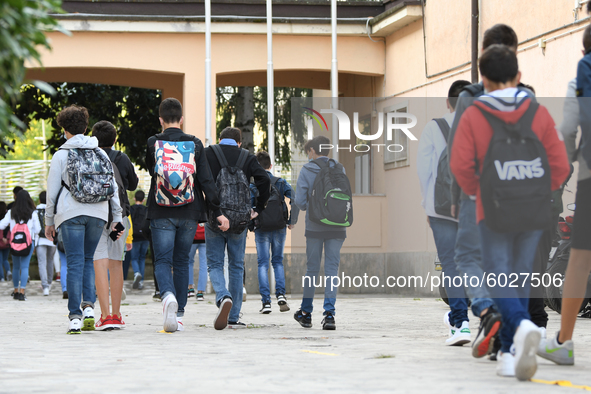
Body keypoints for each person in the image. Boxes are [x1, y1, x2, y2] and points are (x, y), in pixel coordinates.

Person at [450, 45, 570, 380]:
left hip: (494, 208)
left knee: (498, 275)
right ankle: (508, 354)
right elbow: (560, 165)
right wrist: (539, 191)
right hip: (533, 209)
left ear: (483, 80)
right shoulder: (538, 112)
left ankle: (519, 328)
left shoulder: (474, 114)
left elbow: (459, 165)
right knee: (519, 276)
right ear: (518, 77)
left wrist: (479, 193)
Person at [446, 23, 536, 360]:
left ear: (482, 54)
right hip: (520, 193)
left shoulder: (469, 97)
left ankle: (486, 310)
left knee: (469, 257)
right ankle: (507, 345)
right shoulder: (528, 95)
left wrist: (456, 198)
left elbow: (458, 152)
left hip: (478, 192)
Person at [145, 98, 228, 332]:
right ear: (181, 119)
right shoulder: (195, 143)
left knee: (162, 260)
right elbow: (206, 181)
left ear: (160, 120)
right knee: (182, 261)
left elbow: (151, 169)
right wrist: (218, 212)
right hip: (190, 210)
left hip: (161, 210)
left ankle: (168, 296)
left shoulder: (153, 142)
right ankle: (179, 315)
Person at [45, 105, 124, 335]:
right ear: (86, 127)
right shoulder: (100, 152)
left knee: (75, 262)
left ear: (64, 129)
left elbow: (51, 193)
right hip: (98, 213)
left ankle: (75, 318)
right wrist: (116, 216)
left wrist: (49, 221)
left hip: (70, 213)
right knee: (89, 259)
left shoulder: (61, 154)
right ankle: (89, 308)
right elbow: (113, 188)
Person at [539, 21, 591, 366]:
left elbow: (568, 130)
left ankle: (563, 342)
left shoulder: (583, 74)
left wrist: (565, 165)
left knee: (580, 258)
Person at [417, 80, 475, 346]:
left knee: (450, 264)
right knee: (474, 261)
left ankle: (460, 323)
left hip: (439, 207)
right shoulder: (480, 126)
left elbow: (425, 170)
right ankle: (486, 317)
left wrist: (426, 205)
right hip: (472, 204)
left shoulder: (434, 127)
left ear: (448, 102)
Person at [205, 127, 270, 330]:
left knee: (215, 264)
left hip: (215, 217)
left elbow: (202, 181)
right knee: (236, 265)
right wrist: (258, 208)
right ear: (239, 143)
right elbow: (265, 180)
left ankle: (223, 296)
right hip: (240, 220)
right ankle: (233, 316)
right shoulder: (247, 157)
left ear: (220, 139)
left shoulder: (209, 153)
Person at [293, 136, 347, 330]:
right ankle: (329, 315)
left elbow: (299, 201)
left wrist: (315, 210)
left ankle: (306, 313)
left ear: (313, 151)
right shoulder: (340, 168)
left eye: (309, 151)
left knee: (312, 270)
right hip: (338, 226)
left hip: (315, 227)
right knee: (332, 270)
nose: (308, 154)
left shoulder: (307, 169)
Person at [91, 120, 138, 330]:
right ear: (115, 139)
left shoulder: (89, 157)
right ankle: (117, 315)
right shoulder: (122, 158)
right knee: (116, 263)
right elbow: (134, 184)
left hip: (96, 218)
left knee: (99, 262)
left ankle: (104, 315)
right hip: (119, 220)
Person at [250, 150, 293, 314]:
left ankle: (266, 302)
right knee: (277, 261)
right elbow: (294, 197)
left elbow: (249, 205)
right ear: (270, 165)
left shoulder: (254, 185)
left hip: (261, 227)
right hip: (280, 227)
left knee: (262, 263)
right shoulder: (281, 182)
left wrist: (250, 223)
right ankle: (281, 295)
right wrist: (291, 220)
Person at [0, 190, 41, 301]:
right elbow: (38, 230)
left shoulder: (11, 212)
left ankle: (15, 291)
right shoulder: (33, 213)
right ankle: (22, 291)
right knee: (24, 267)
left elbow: (1, 225)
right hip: (28, 244)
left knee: (16, 267)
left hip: (14, 244)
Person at [36, 191, 57, 296]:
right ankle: (49, 283)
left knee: (42, 263)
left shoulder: (36, 211)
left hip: (40, 240)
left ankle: (45, 287)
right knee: (50, 261)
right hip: (51, 240)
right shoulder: (52, 210)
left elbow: (35, 228)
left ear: (39, 200)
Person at [130, 190, 150, 290]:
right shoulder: (146, 209)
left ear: (134, 198)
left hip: (134, 237)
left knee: (134, 258)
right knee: (142, 258)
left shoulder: (131, 209)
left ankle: (136, 273)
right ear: (144, 200)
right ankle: (140, 282)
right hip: (145, 236)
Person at [188, 224, 207, 300]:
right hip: (205, 237)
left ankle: (190, 288)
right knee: (204, 264)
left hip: (192, 236)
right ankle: (200, 292)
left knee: (188, 262)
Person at [0, 201, 12, 282]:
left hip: (0, 241)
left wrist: (1, 238)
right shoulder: (7, 217)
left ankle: (2, 278)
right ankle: (8, 272)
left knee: (0, 261)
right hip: (7, 242)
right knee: (5, 259)